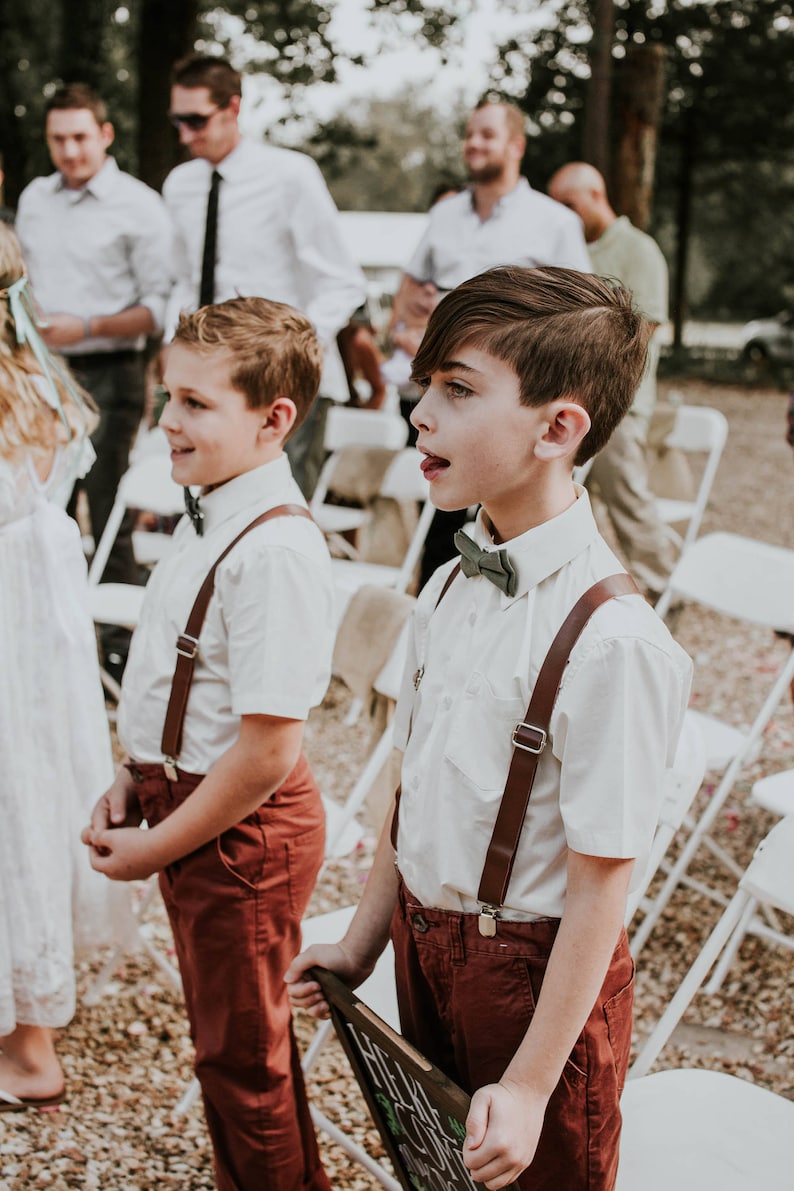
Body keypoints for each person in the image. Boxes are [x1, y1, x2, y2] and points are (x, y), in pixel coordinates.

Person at [286, 266, 693, 1191]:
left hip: (536, 989)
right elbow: (412, 782)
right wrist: (364, 940)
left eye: (458, 389)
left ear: (559, 429)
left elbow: (602, 884)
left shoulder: (613, 643)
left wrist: (531, 1080)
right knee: (439, 1173)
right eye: (425, 383)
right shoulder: (446, 585)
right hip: (426, 951)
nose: (419, 412)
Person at [82, 296, 335, 1191]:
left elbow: (267, 750)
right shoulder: (210, 512)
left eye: (195, 402)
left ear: (274, 420)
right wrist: (130, 774)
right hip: (191, 805)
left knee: (241, 1057)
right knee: (230, 1043)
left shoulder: (275, 552)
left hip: (242, 832)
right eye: (165, 397)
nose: (166, 421)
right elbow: (181, 681)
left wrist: (155, 843)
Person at [0, 224, 128, 1111]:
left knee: (10, 807)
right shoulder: (38, 384)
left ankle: (29, 1046)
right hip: (36, 645)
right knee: (27, 796)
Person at [387, 99, 592, 586]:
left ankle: (519, 606)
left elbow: (581, 318)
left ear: (516, 146)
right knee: (439, 503)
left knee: (512, 504)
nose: (474, 144)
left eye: (487, 135)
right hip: (438, 382)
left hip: (508, 396)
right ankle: (439, 606)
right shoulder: (444, 214)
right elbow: (410, 286)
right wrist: (405, 330)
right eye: (470, 134)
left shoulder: (554, 221)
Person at [15, 83, 173, 681]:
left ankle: (114, 648)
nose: (69, 150)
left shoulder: (138, 205)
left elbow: (158, 307)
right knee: (35, 499)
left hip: (113, 368)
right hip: (41, 370)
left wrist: (85, 327)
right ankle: (43, 632)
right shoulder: (34, 197)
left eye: (80, 136)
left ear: (105, 135)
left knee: (107, 506)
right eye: (58, 138)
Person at [163, 54, 366, 497]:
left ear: (232, 108)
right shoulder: (179, 184)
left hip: (286, 380)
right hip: (209, 378)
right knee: (209, 510)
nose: (185, 134)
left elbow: (343, 281)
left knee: (280, 509)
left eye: (196, 120)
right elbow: (181, 279)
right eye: (177, 120)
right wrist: (173, 345)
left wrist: (288, 352)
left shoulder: (290, 175)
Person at [548, 162, 678, 600]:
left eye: (569, 204)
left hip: (620, 406)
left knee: (630, 507)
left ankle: (663, 593)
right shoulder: (566, 247)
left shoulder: (638, 250)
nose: (562, 214)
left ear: (596, 196)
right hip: (571, 401)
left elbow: (643, 332)